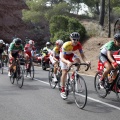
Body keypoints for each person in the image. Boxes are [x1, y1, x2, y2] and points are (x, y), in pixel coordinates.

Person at [60, 32, 91, 99]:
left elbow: (82, 56)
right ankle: (62, 90)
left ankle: (73, 76)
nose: (76, 41)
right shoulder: (66, 45)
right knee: (64, 72)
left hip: (70, 54)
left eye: (77, 39)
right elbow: (62, 58)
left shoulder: (79, 45)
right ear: (71, 39)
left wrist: (87, 61)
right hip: (64, 56)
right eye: (74, 39)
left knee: (78, 61)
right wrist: (67, 62)